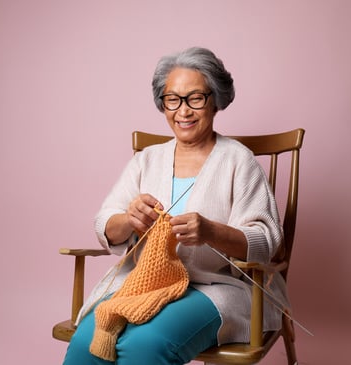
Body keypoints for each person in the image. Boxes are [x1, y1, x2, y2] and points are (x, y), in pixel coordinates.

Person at [62, 46, 286, 365]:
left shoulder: (239, 161)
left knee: (144, 345)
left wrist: (210, 231)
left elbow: (267, 243)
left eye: (196, 98)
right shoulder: (147, 160)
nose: (184, 111)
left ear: (215, 100)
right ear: (163, 104)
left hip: (214, 287)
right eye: (173, 99)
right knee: (87, 342)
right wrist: (129, 219)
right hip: (146, 282)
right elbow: (105, 225)